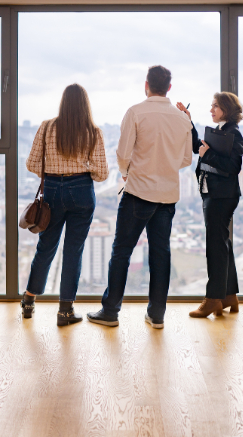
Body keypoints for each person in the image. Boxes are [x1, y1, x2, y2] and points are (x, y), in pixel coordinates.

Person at [87, 65, 192, 330]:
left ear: (146, 85)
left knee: (121, 252)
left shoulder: (135, 112)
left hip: (137, 193)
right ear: (169, 87)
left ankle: (111, 311)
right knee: (161, 254)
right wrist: (165, 166)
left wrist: (126, 173)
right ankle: (157, 315)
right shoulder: (183, 119)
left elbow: (123, 153)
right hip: (167, 197)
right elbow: (187, 159)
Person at [21, 83, 108, 327]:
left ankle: (28, 301)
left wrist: (53, 172)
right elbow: (102, 174)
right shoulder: (93, 132)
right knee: (73, 251)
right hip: (81, 192)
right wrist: (82, 168)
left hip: (52, 191)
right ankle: (65, 311)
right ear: (85, 104)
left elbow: (31, 164)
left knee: (46, 247)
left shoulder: (47, 127)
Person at [176, 92, 243, 318]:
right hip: (214, 194)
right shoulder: (221, 131)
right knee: (222, 243)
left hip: (221, 196)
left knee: (215, 246)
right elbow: (199, 147)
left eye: (215, 106)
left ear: (226, 108)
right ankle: (229, 295)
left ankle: (213, 299)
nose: (211, 109)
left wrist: (209, 154)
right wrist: (189, 121)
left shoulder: (233, 133)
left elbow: (232, 167)